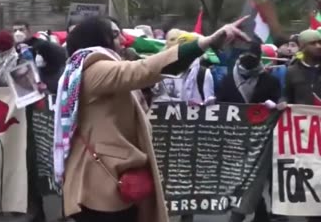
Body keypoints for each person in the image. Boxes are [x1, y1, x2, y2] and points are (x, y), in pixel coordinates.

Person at [55, 16, 249, 222]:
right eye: (114, 34)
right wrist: (204, 43)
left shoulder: (85, 69)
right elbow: (145, 69)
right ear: (97, 38)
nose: (123, 39)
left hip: (108, 181)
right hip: (104, 187)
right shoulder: (94, 69)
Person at [217, 42, 282, 222]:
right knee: (241, 176)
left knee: (255, 177)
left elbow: (280, 101)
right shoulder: (228, 80)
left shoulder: (271, 81)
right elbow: (221, 103)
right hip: (235, 138)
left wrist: (276, 106)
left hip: (261, 138)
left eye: (252, 56)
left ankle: (237, 215)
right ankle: (260, 213)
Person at [285, 29, 321, 107]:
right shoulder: (292, 71)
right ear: (302, 47)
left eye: (320, 42)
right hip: (304, 117)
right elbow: (287, 96)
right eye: (313, 43)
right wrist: (283, 102)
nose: (318, 46)